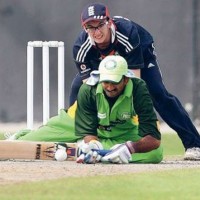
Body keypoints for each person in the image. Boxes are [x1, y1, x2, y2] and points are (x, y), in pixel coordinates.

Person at [70, 2, 200, 160]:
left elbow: (135, 81)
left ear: (109, 21)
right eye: (90, 27)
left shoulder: (127, 33)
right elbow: (88, 88)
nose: (96, 32)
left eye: (100, 25)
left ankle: (194, 144)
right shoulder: (81, 47)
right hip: (103, 64)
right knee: (78, 88)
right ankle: (78, 138)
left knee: (157, 93)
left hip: (139, 56)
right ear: (85, 28)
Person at [12, 55, 163, 164]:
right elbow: (89, 132)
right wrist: (93, 145)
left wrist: (131, 148)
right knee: (26, 142)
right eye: (105, 82)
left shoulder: (139, 89)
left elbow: (154, 139)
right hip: (73, 122)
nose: (109, 87)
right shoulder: (88, 89)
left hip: (122, 129)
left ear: (125, 79)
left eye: (114, 82)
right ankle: (22, 136)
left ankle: (93, 150)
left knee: (155, 154)